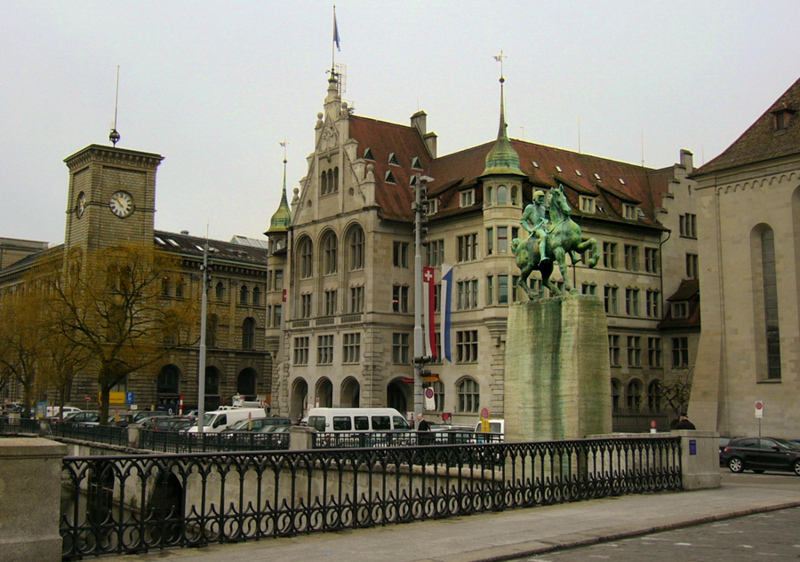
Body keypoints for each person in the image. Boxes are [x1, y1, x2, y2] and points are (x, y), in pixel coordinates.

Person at [520, 190, 550, 267]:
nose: (541, 199)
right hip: (537, 229)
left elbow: (542, 219)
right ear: (535, 198)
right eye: (540, 197)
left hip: (545, 227)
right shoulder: (529, 208)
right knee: (543, 236)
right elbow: (522, 221)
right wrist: (529, 229)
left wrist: (545, 221)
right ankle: (542, 256)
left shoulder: (543, 208)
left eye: (542, 197)